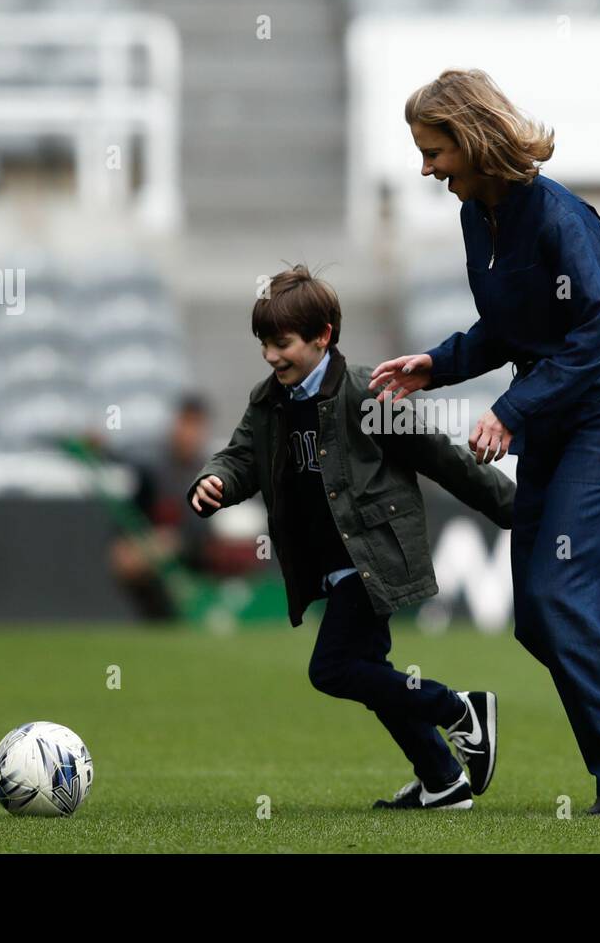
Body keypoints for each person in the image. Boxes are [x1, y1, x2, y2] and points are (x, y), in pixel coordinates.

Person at [369, 69, 600, 817]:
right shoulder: (481, 215)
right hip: (551, 423)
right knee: (539, 619)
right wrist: (438, 366)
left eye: (434, 150)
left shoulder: (562, 216)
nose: (427, 168)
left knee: (559, 597)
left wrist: (510, 409)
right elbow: (509, 329)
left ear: (472, 139)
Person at [188, 264, 516, 810]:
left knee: (333, 669)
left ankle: (459, 710)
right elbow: (242, 456)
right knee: (370, 673)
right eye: (264, 344)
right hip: (331, 565)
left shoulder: (368, 393)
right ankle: (443, 780)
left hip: (374, 559)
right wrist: (215, 480)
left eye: (282, 343)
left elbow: (445, 459)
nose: (271, 355)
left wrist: (520, 512)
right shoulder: (269, 399)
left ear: (323, 337)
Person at [109, 395, 216, 620]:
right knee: (126, 557)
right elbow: (133, 514)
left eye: (195, 425)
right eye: (184, 423)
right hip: (155, 552)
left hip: (195, 554)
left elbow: (205, 528)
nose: (188, 433)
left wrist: (173, 541)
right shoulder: (154, 471)